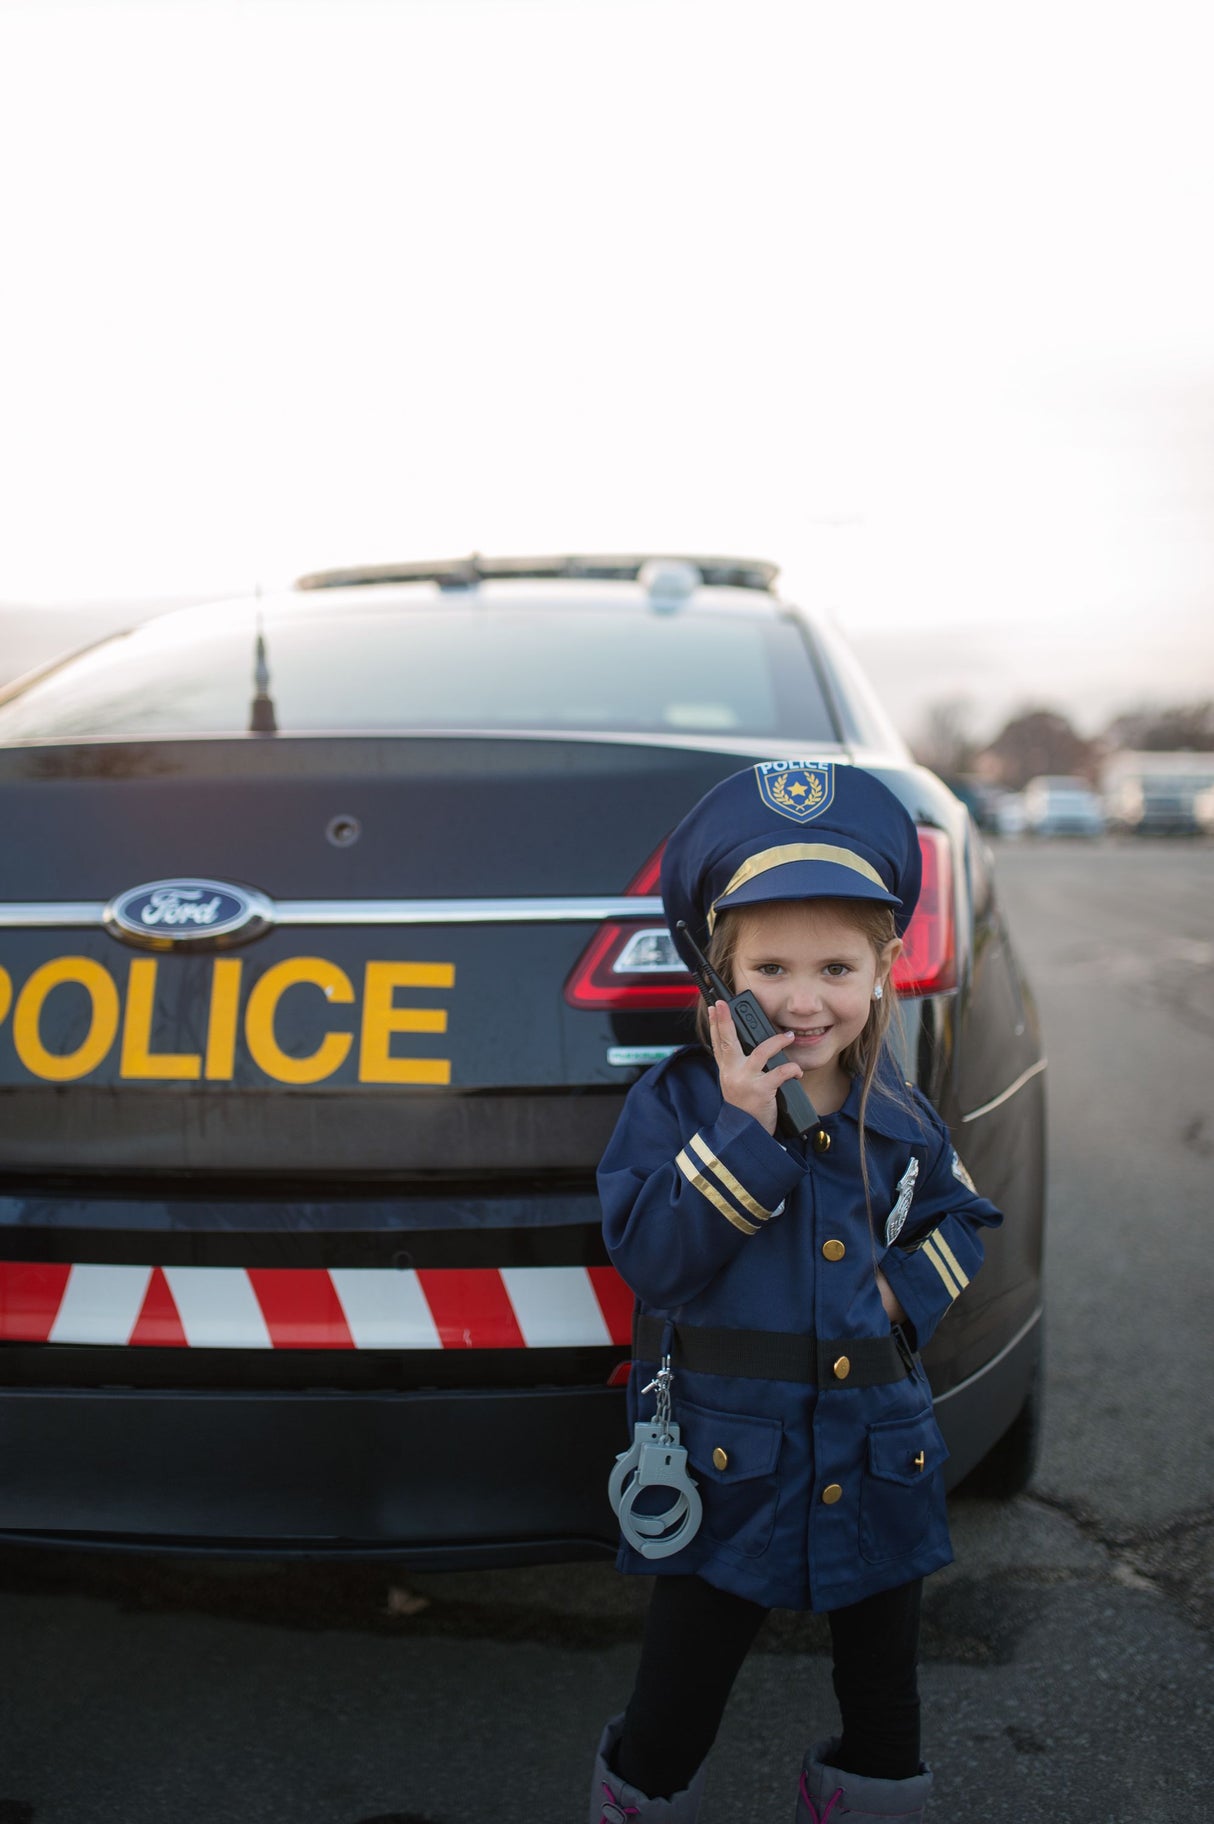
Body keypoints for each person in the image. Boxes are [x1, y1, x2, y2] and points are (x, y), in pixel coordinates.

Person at [588, 760, 1003, 1824]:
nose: (804, 1000)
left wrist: (898, 1300)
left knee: (886, 1716)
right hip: (728, 1463)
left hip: (880, 1453)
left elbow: (963, 1219)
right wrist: (746, 1131)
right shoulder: (675, 1107)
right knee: (672, 1714)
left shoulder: (898, 1115)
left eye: (835, 967)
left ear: (883, 971)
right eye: (769, 967)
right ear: (719, 976)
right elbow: (653, 1262)